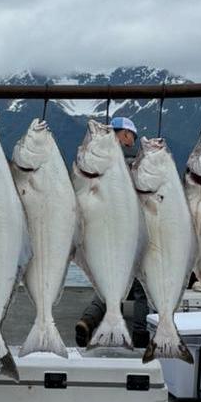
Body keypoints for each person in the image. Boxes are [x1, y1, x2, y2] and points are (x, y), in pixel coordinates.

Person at [74, 116, 148, 348]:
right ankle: (139, 334)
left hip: (106, 232)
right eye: (131, 135)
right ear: (124, 135)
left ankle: (88, 320)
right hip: (131, 232)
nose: (132, 140)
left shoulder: (97, 161)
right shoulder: (135, 161)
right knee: (139, 289)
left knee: (109, 284)